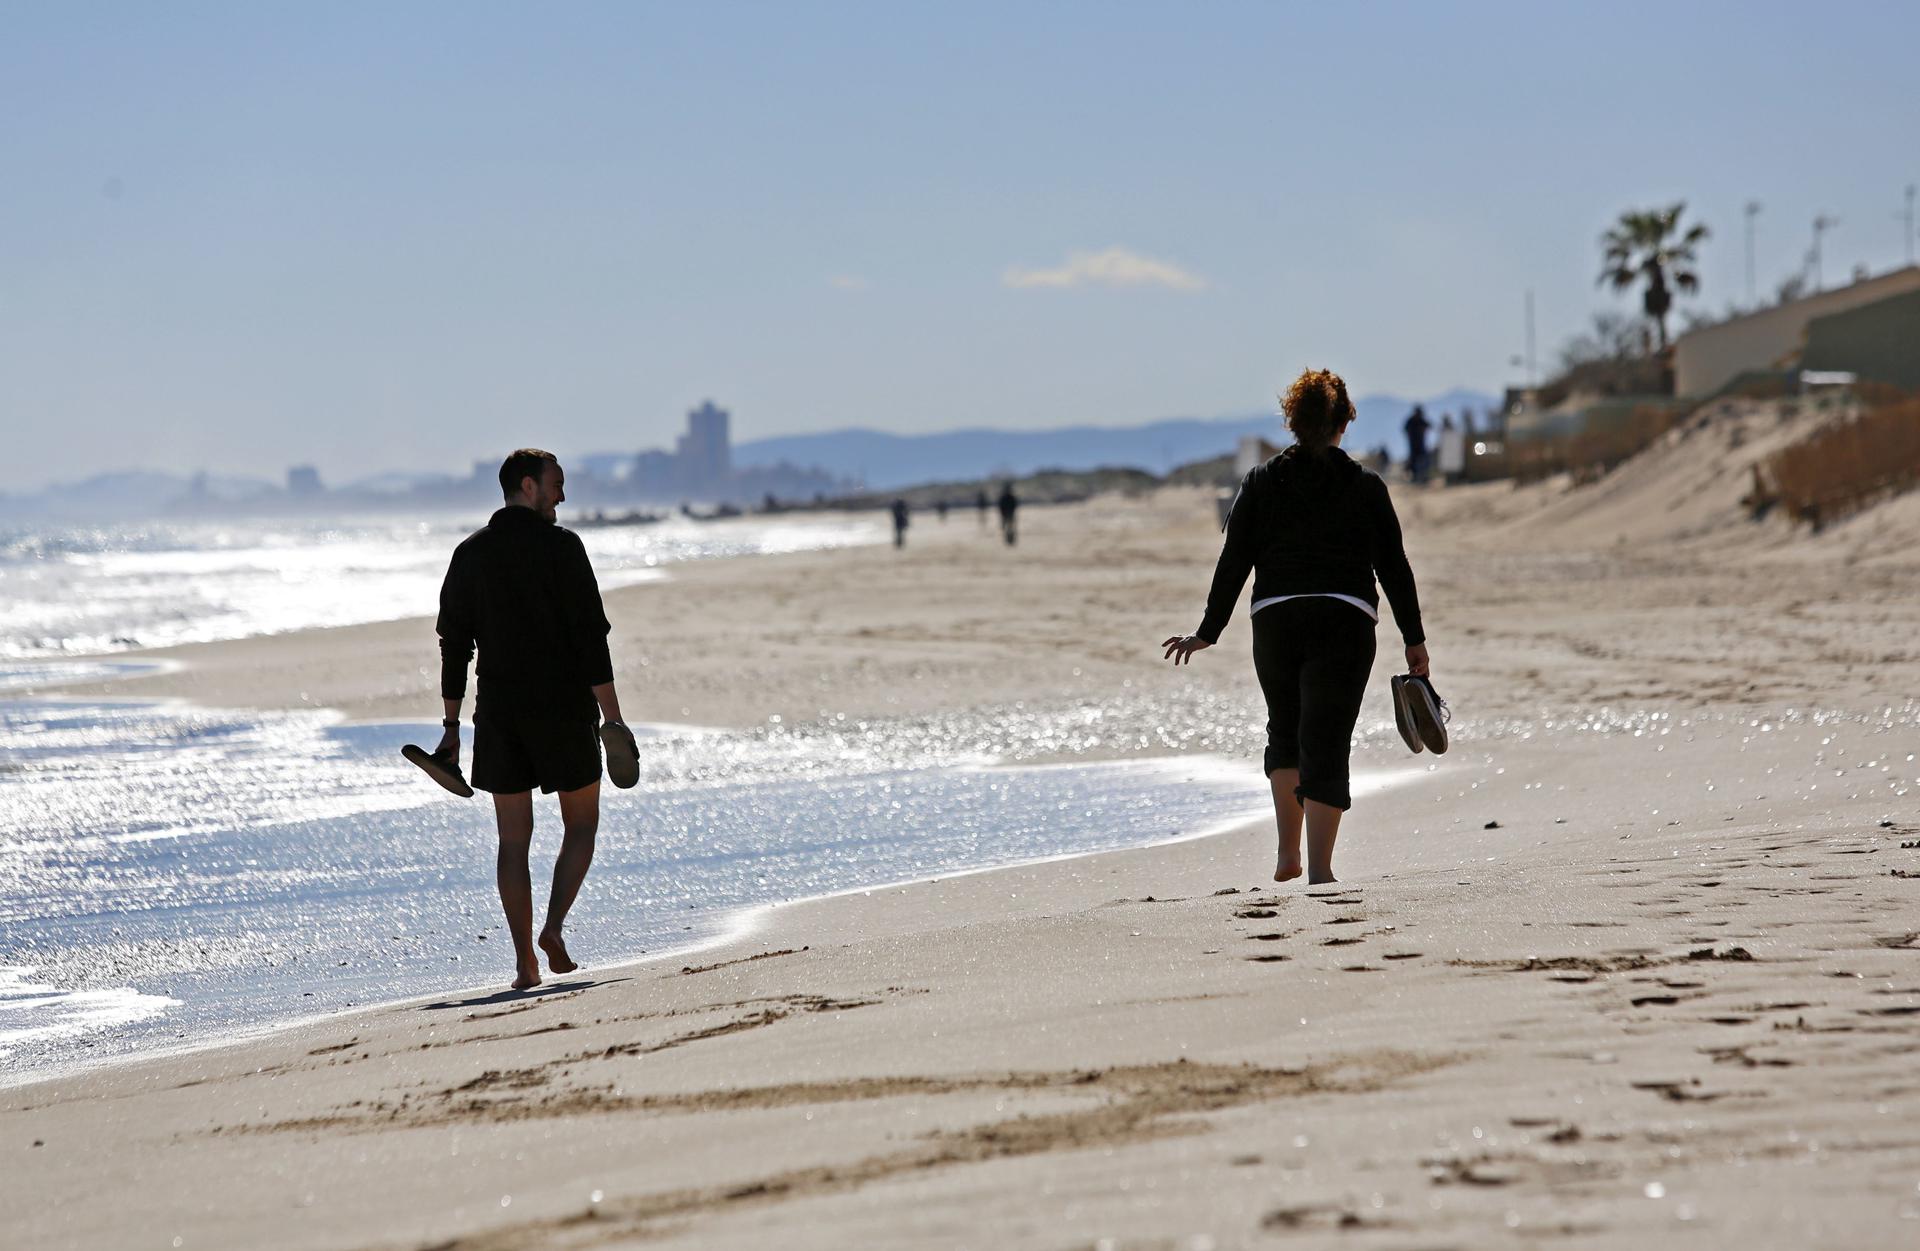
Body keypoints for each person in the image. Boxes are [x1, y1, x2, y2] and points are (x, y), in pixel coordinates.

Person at [1162, 369, 1428, 885]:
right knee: (1326, 737)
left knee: (1285, 730)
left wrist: (1208, 631)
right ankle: (1321, 870)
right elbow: (1394, 566)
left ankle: (1288, 853)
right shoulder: (1366, 486)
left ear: (1293, 421)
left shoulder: (1260, 483)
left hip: (1276, 621)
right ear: (1343, 422)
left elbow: (1234, 559)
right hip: (1345, 618)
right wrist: (1413, 638)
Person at [435, 448, 632, 990]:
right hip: (563, 709)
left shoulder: (469, 553)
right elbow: (591, 638)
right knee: (582, 825)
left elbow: (455, 645)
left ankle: (525, 961)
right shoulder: (563, 547)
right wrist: (612, 720)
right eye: (556, 485)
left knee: (512, 841)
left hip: (498, 713)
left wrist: (451, 727)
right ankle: (553, 928)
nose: (562, 496)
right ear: (529, 485)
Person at [1403, 404, 1431, 484]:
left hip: (1421, 445)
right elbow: (1405, 429)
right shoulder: (1411, 421)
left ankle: (1423, 476)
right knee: (1413, 462)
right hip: (1413, 445)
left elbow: (1429, 425)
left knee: (1424, 461)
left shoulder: (1421, 420)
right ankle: (1415, 477)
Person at [1437, 413, 1466, 484]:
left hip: (1452, 451)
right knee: (1449, 467)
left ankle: (1454, 480)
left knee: (1453, 467)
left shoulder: (1451, 428)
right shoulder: (1443, 429)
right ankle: (1450, 481)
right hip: (1447, 451)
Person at [997, 482, 1019, 547]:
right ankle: (1009, 539)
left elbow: (1014, 505)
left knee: (1009, 527)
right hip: (1008, 514)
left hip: (1008, 514)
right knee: (1008, 527)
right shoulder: (1007, 497)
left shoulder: (1006, 497)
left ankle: (1010, 539)